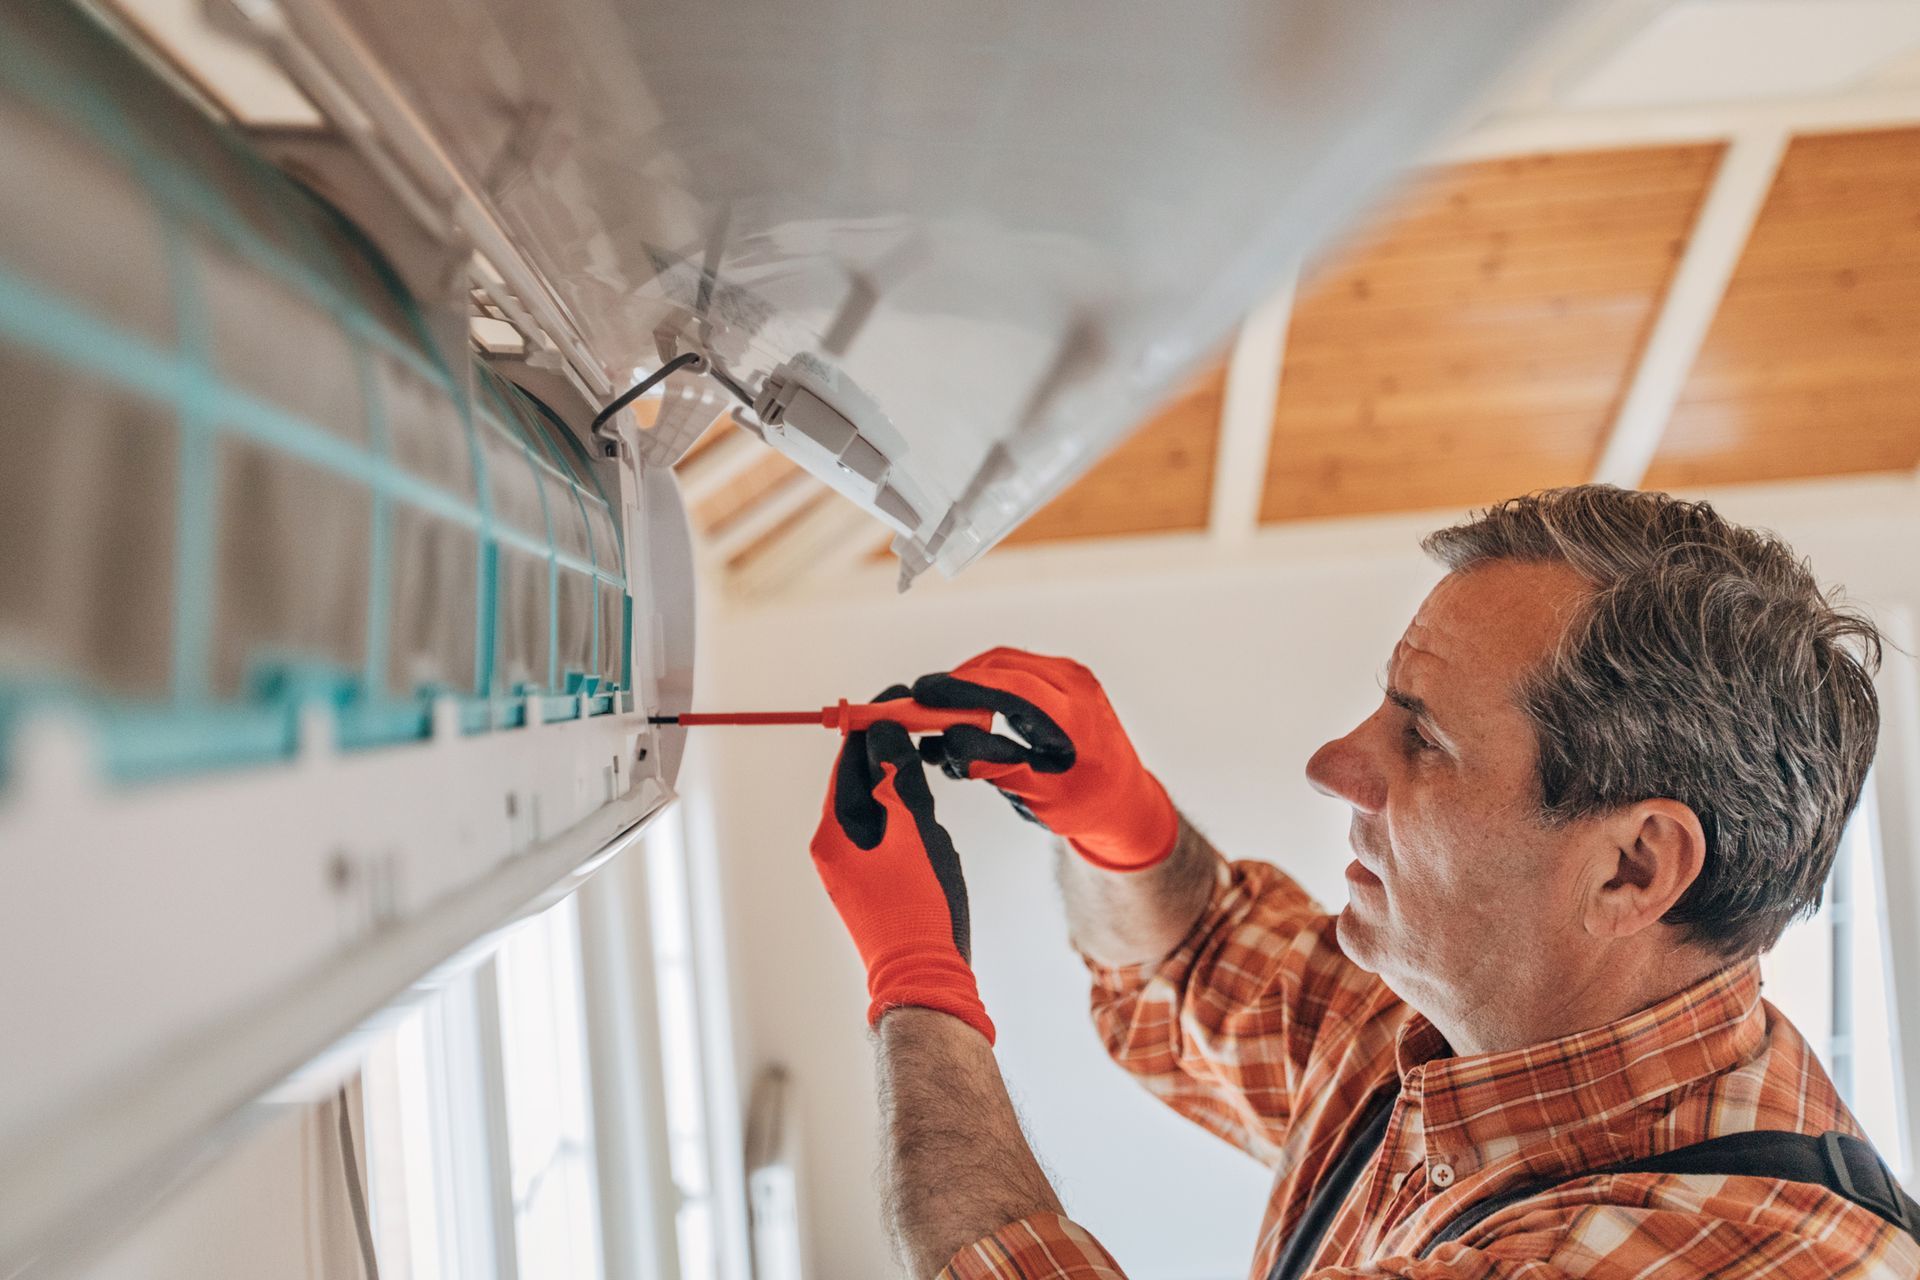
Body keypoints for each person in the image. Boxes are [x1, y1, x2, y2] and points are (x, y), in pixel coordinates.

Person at [806, 485, 1918, 1279]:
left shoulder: (1733, 1259)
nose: (1337, 762)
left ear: (1633, 865)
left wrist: (917, 987)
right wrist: (1118, 822)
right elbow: (1195, 961)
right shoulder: (1471, 1035)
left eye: (1423, 737)